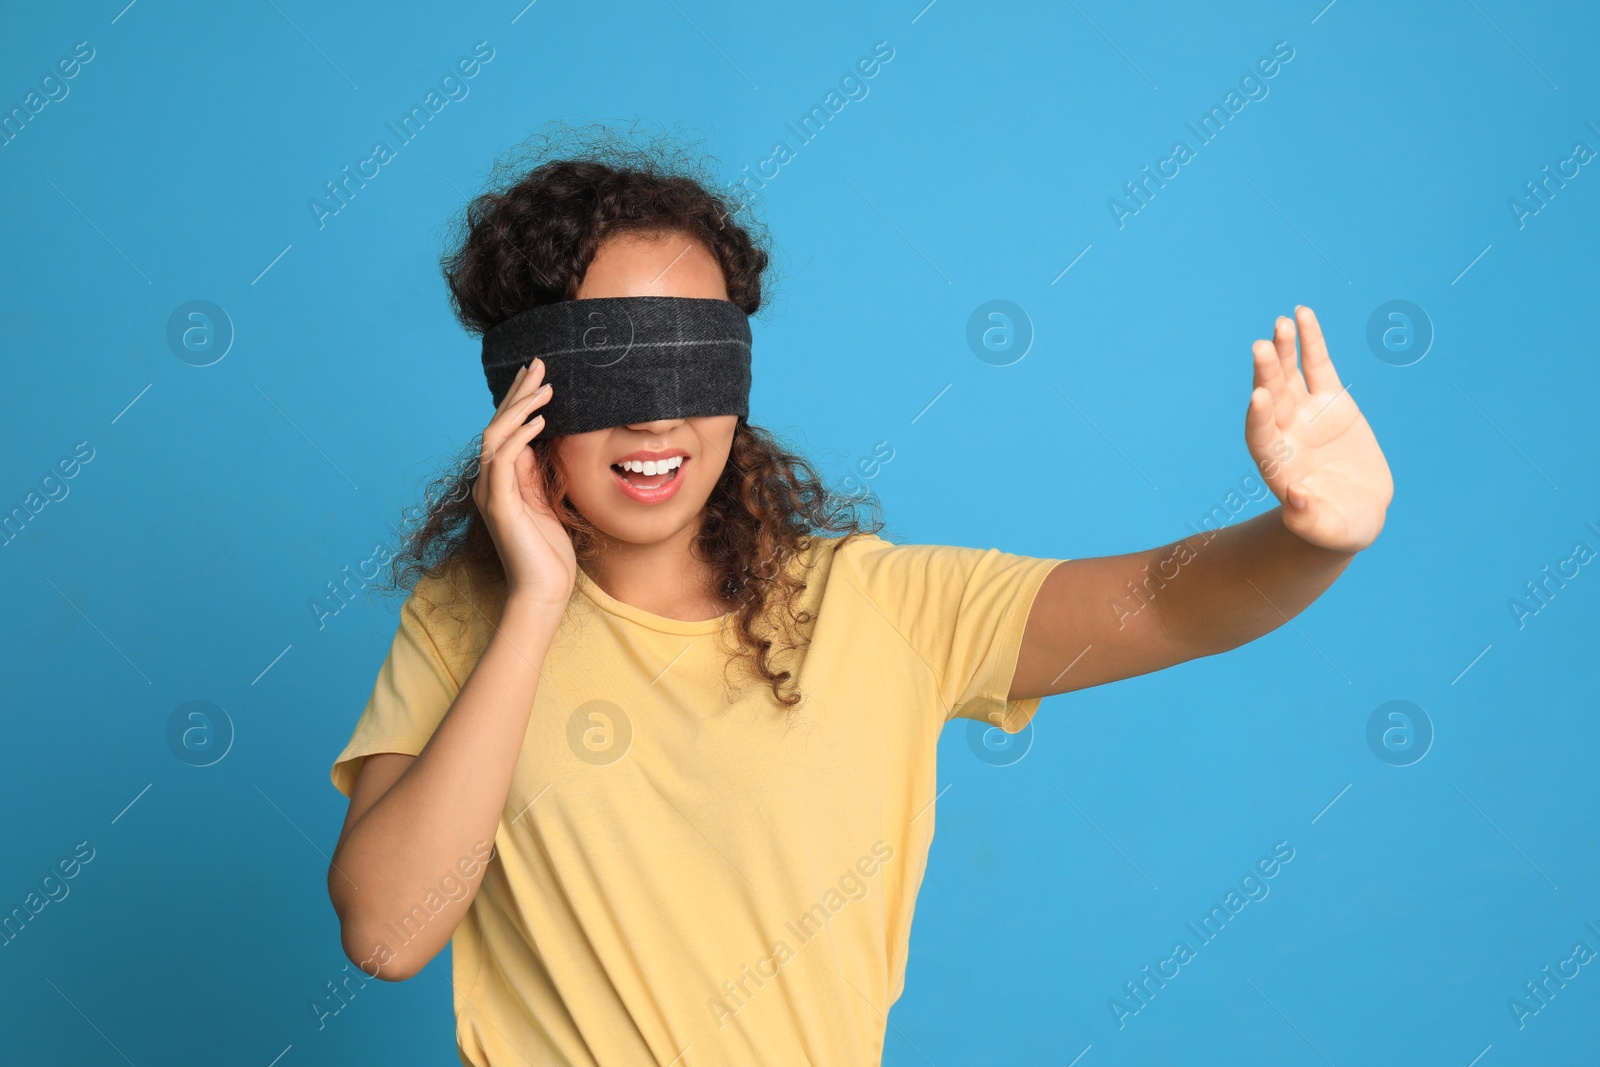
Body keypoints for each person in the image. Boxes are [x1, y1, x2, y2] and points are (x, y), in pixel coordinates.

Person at [325, 127, 1394, 1067]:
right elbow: (387, 934)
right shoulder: (467, 619)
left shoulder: (881, 607)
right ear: (524, 393)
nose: (655, 424)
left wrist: (1309, 538)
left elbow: (1168, 605)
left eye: (691, 362)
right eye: (610, 367)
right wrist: (535, 605)